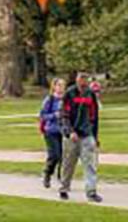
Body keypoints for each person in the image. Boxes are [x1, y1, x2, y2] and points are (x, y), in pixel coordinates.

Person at [59, 72, 102, 203]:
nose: (84, 85)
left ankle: (91, 191)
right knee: (68, 164)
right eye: (81, 81)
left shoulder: (90, 95)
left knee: (90, 164)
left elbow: (94, 117)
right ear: (77, 81)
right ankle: (64, 188)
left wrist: (95, 136)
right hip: (72, 136)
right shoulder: (69, 94)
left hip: (87, 134)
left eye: (86, 82)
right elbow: (64, 115)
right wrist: (70, 131)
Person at [39, 78, 65, 189]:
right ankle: (47, 173)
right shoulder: (49, 100)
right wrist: (55, 115)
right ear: (54, 87)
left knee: (64, 156)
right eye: (58, 85)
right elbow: (43, 115)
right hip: (50, 131)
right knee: (54, 155)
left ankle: (62, 177)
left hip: (63, 131)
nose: (61, 87)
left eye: (63, 85)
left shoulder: (66, 99)